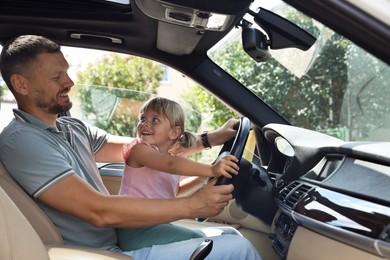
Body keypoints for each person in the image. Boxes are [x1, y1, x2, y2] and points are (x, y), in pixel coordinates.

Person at [0, 35, 262, 259]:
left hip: (118, 239)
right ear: (21, 84)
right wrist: (193, 205)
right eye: (57, 77)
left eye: (67, 72)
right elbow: (98, 210)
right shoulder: (21, 141)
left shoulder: (71, 127)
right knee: (238, 248)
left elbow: (147, 150)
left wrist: (209, 139)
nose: (69, 82)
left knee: (228, 234)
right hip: (98, 253)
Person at [117, 96, 239, 251]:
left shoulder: (167, 159)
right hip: (134, 229)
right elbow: (171, 165)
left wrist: (205, 175)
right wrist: (211, 169)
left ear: (174, 132)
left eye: (155, 120)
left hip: (156, 225)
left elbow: (177, 191)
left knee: (229, 233)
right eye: (142, 118)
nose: (145, 123)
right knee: (202, 244)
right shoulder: (139, 151)